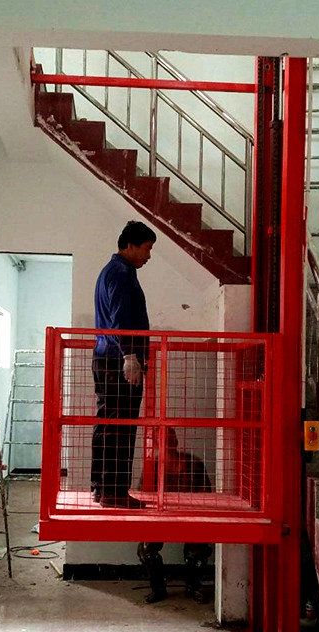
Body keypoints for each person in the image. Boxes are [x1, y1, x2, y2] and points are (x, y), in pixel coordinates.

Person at [91, 220, 156, 509]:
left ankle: (101, 488)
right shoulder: (121, 273)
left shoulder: (114, 271)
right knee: (121, 427)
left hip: (108, 357)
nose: (149, 255)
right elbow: (121, 319)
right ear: (130, 246)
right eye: (147, 248)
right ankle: (114, 493)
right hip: (118, 361)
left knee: (108, 424)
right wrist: (130, 356)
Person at [137, 428, 213, 604]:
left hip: (190, 517)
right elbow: (143, 496)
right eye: (163, 439)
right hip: (159, 518)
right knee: (146, 550)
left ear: (177, 441)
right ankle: (158, 589)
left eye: (171, 438)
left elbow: (206, 495)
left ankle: (193, 587)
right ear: (156, 443)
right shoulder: (151, 467)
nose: (168, 442)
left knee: (199, 549)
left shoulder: (194, 464)